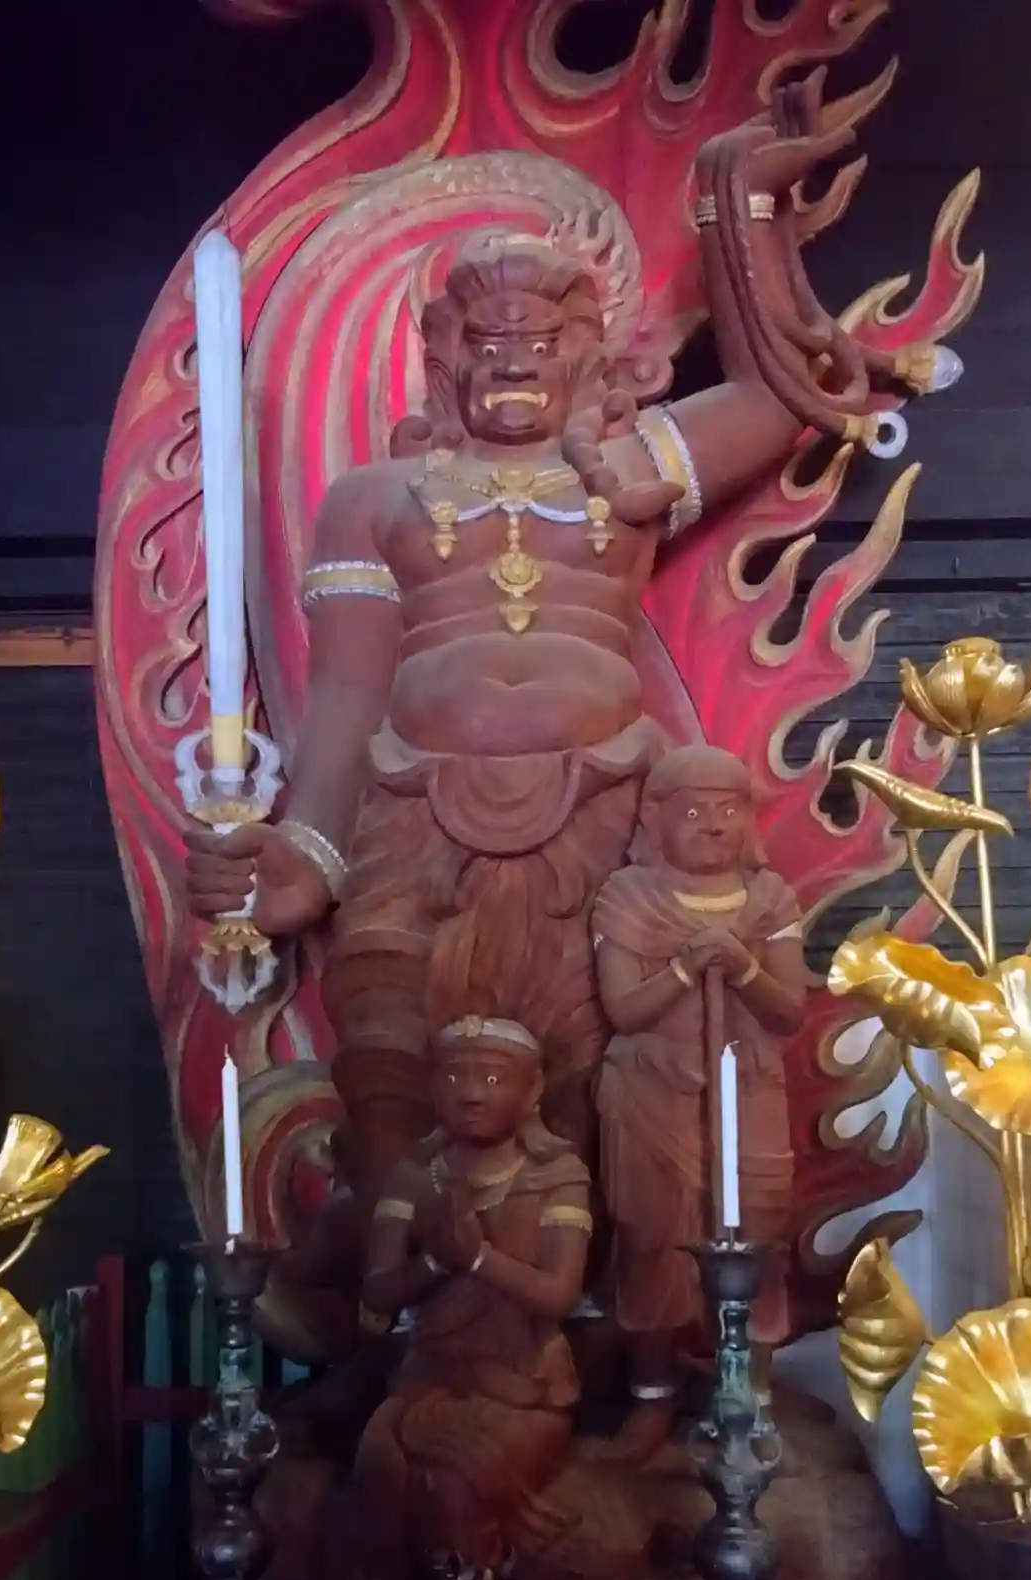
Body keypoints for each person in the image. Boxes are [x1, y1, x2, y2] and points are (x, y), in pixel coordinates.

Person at [188, 81, 922, 1211]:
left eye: (540, 343)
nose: (513, 363)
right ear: (445, 358)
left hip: (606, 803)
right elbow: (343, 698)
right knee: (387, 1056)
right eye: (488, 343)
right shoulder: (375, 499)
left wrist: (738, 205)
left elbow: (786, 398)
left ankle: (583, 1293)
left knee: (599, 1065)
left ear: (587, 356)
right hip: (414, 808)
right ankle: (409, 1286)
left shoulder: (629, 471)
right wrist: (308, 855)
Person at [594, 745, 805, 1460]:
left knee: (759, 1239)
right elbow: (624, 1010)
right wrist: (688, 965)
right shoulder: (629, 896)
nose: (713, 825)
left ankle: (752, 1396)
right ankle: (651, 1395)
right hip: (653, 1092)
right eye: (692, 811)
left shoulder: (770, 900)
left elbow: (788, 1013)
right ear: (655, 819)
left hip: (748, 1090)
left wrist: (742, 966)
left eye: (728, 809)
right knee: (652, 1242)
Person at [348, 1017, 592, 1580]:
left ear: (532, 1091)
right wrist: (434, 1263)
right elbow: (377, 1292)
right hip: (428, 1378)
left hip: (521, 1386)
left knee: (454, 1487)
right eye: (456, 1076)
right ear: (434, 1088)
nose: (472, 1093)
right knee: (378, 1469)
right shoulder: (416, 1175)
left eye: (493, 1078)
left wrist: (480, 1258)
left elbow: (558, 1295)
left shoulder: (556, 1175)